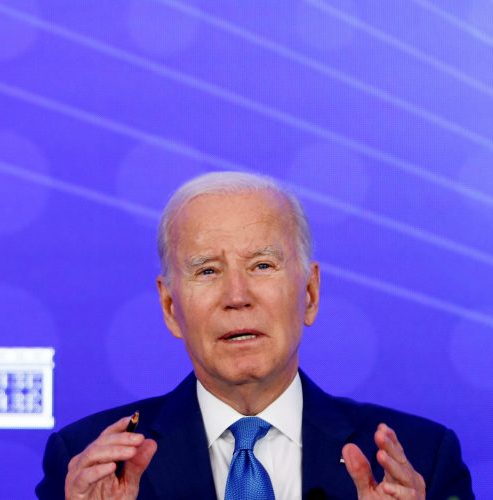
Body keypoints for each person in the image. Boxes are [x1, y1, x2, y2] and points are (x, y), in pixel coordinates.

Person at [36, 171, 473, 499]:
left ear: (310, 293)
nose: (237, 296)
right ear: (170, 307)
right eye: (207, 270)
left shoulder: (422, 460)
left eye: (262, 266)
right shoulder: (88, 466)